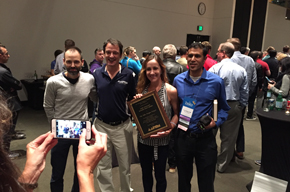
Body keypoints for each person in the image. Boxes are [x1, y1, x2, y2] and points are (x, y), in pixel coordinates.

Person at [0, 95, 107, 192]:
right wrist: (86, 172)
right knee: (58, 170)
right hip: (63, 135)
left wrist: (28, 176)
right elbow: (48, 105)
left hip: (72, 132)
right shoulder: (54, 82)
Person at [173, 42, 230, 192]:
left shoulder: (216, 82)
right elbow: (174, 109)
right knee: (183, 182)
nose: (192, 59)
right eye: (190, 55)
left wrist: (215, 122)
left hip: (205, 139)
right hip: (183, 138)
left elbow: (224, 108)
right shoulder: (178, 80)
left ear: (205, 58)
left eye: (197, 56)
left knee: (206, 183)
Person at [43, 46, 97, 192]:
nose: (73, 66)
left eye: (76, 62)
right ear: (63, 62)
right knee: (57, 172)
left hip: (81, 131)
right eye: (69, 62)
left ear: (82, 62)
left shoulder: (89, 79)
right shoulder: (53, 82)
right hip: (61, 131)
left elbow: (94, 98)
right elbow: (48, 106)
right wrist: (54, 128)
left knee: (80, 171)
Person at [92, 38, 136, 192]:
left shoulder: (128, 74)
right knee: (103, 166)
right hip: (101, 126)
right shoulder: (96, 74)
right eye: (108, 52)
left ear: (121, 54)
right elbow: (93, 96)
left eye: (115, 53)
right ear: (104, 53)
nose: (111, 55)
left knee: (125, 165)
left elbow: (132, 98)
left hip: (122, 127)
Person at [134, 54, 179, 192]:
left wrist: (170, 127)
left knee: (160, 176)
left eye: (155, 68)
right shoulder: (141, 91)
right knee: (146, 174)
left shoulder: (171, 91)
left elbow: (176, 114)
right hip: (144, 141)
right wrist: (138, 105)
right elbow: (137, 120)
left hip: (163, 142)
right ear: (144, 71)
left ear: (161, 69)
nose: (152, 72)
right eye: (148, 69)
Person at [209, 42, 248, 172]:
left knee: (210, 133)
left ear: (224, 53)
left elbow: (208, 88)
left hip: (216, 105)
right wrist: (241, 105)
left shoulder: (215, 68)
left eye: (218, 51)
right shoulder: (241, 69)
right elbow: (245, 91)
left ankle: (208, 160)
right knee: (229, 138)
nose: (216, 53)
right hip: (233, 105)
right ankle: (222, 165)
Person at [227, 38, 257, 160]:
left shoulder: (228, 60)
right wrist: (247, 97)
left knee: (225, 127)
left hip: (228, 98)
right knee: (239, 124)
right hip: (243, 99)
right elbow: (254, 81)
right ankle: (239, 150)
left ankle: (228, 153)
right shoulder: (250, 60)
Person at [0, 44, 25, 159]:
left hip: (4, 101)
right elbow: (18, 84)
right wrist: (14, 85)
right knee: (8, 128)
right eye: (6, 54)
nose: (8, 56)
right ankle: (6, 153)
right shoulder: (3, 72)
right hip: (9, 102)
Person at [246, 51, 263, 120]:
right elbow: (260, 77)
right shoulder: (258, 65)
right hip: (254, 85)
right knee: (251, 101)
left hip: (246, 83)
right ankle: (249, 115)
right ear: (257, 57)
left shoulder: (247, 64)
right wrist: (260, 86)